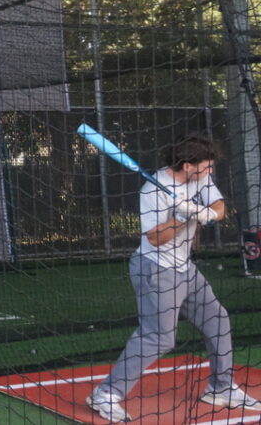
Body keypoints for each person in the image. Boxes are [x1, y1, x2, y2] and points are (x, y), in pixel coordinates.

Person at [87, 134, 261, 422]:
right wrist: (181, 217)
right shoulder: (152, 191)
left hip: (184, 268)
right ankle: (106, 393)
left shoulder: (200, 178)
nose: (210, 171)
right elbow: (155, 238)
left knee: (217, 319)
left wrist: (205, 213)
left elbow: (220, 207)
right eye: (206, 166)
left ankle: (221, 388)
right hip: (156, 268)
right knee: (158, 337)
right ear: (188, 165)